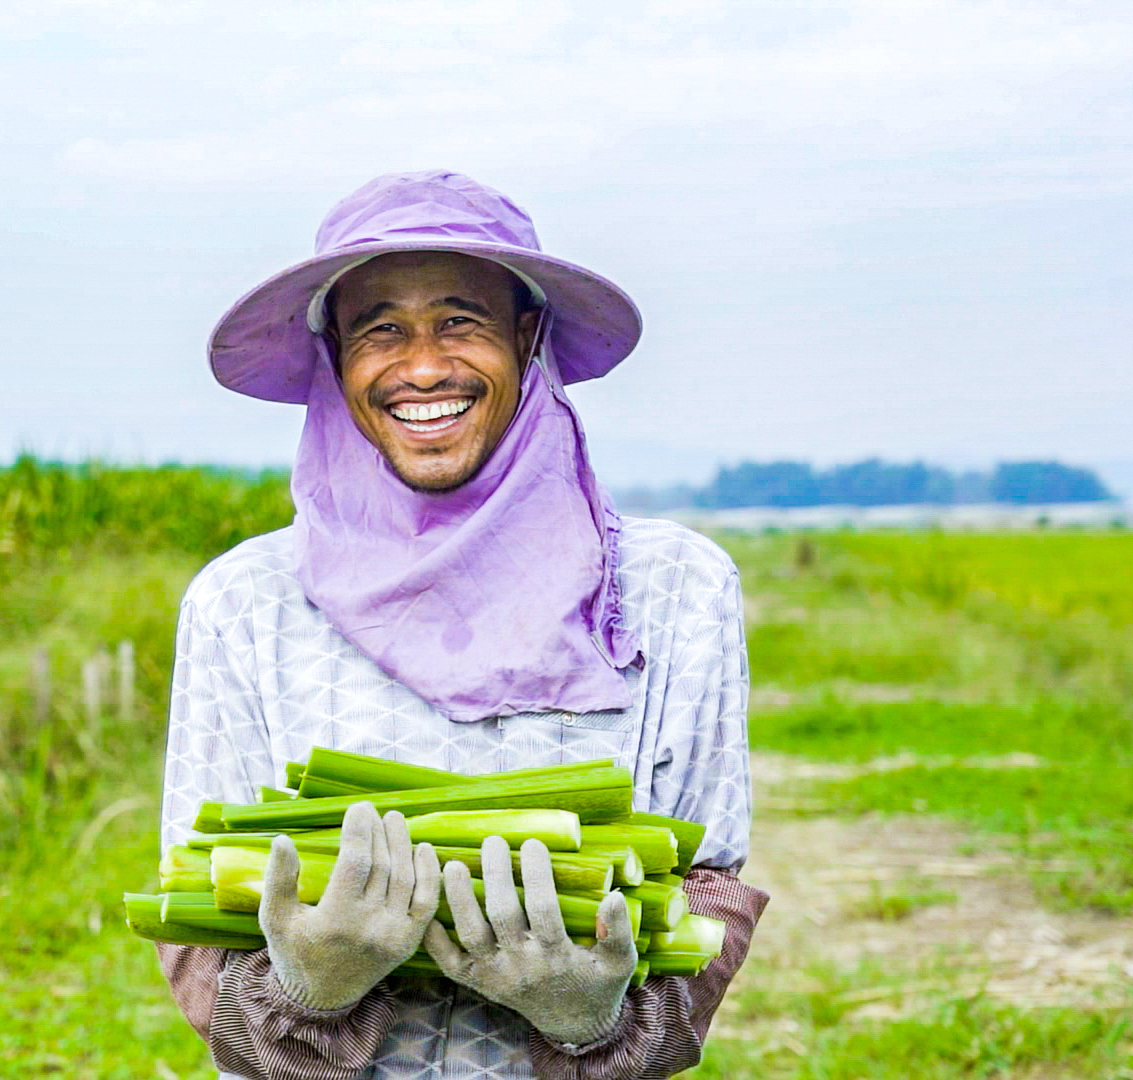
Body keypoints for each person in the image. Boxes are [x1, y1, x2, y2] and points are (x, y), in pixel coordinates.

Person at [156, 171, 767, 1079]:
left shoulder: (672, 588)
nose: (425, 365)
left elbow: (707, 887)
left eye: (461, 321)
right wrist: (307, 989)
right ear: (335, 360)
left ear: (528, 339)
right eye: (381, 329)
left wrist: (590, 1016)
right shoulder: (246, 603)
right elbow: (199, 918)